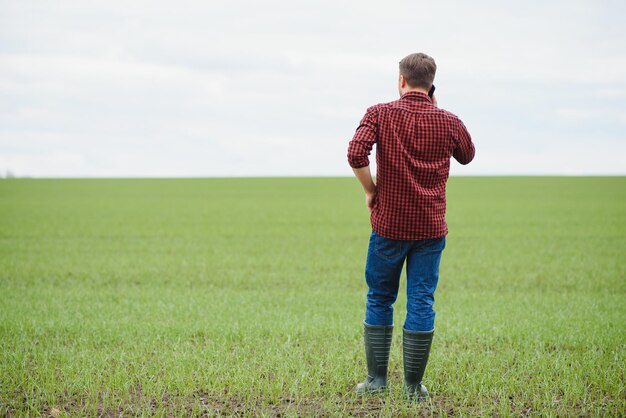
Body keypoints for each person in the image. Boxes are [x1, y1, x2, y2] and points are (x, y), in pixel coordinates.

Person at [347, 52, 475, 400]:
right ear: (431, 85)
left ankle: (376, 381)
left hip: (388, 225)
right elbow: (467, 154)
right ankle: (413, 387)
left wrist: (370, 191)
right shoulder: (448, 120)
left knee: (379, 298)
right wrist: (437, 108)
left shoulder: (379, 113)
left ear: (401, 80)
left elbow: (356, 153)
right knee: (421, 301)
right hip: (430, 230)